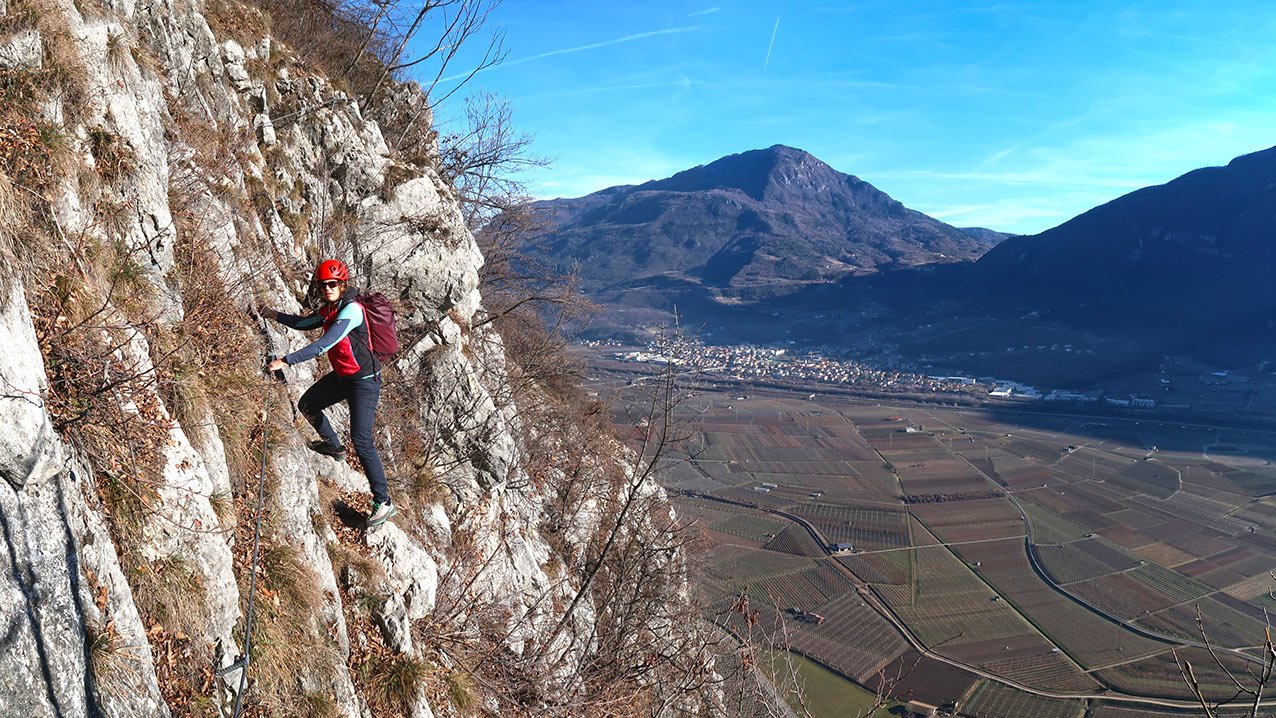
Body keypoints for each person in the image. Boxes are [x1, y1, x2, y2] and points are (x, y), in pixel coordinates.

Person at [264, 259, 396, 527]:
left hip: (365, 382)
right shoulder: (330, 309)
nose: (327, 288)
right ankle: (334, 447)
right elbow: (304, 323)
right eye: (323, 285)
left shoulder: (352, 311)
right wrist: (273, 314)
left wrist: (286, 361)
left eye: (333, 284)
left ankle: (383, 501)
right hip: (344, 376)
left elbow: (323, 344)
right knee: (308, 404)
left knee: (361, 440)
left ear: (343, 284)